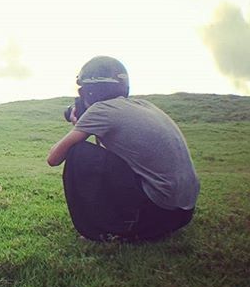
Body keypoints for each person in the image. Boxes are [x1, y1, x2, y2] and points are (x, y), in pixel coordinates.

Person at [47, 56, 199, 242]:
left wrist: (78, 126)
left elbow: (53, 158)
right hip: (183, 214)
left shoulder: (101, 110)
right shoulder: (143, 105)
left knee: (78, 152)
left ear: (90, 92)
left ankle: (98, 232)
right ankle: (128, 223)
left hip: (159, 214)